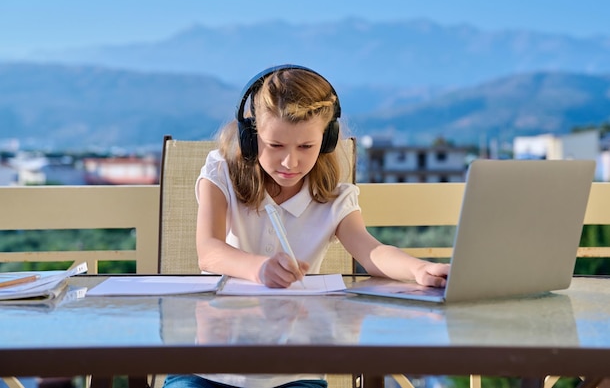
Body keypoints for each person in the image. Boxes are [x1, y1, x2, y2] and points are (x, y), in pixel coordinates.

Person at [162, 64, 450, 388]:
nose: (290, 162)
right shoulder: (220, 174)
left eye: (305, 147)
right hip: (209, 369)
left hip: (295, 373)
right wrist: (260, 269)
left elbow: (372, 251)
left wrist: (418, 270)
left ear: (326, 141)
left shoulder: (334, 198)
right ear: (250, 135)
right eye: (275, 146)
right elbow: (209, 252)